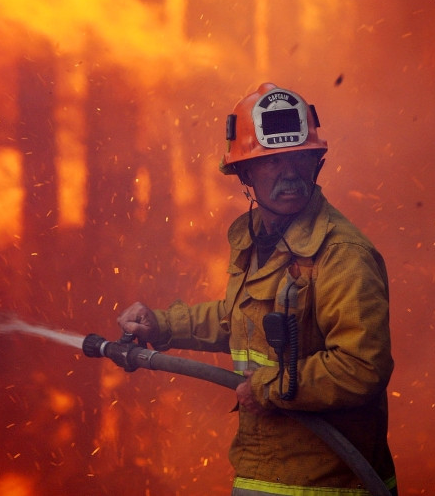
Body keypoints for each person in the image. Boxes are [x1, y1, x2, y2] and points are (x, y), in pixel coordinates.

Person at [117, 83, 397, 496]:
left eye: (299, 157)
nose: (290, 172)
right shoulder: (256, 238)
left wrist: (269, 386)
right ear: (244, 173)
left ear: (316, 163)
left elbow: (361, 367)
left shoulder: (342, 254)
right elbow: (241, 319)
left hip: (327, 485)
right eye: (272, 161)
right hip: (263, 475)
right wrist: (161, 325)